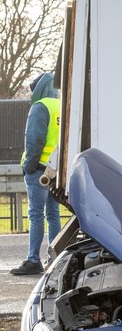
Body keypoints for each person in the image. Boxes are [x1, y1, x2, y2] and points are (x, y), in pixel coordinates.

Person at [11, 73, 61, 276]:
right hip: (56, 169)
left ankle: (33, 260)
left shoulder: (40, 107)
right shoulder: (60, 105)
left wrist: (29, 167)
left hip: (39, 169)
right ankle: (56, 258)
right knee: (53, 215)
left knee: (35, 215)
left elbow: (34, 140)